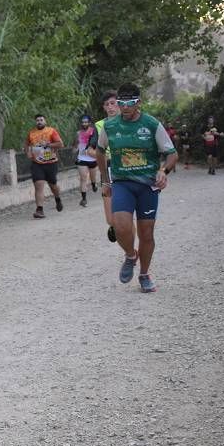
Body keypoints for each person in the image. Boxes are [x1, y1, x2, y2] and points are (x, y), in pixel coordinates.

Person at [96, 83, 178, 293]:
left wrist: (163, 171)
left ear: (138, 102)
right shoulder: (110, 126)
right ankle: (131, 256)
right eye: (121, 103)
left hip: (147, 186)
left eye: (129, 103)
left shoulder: (151, 124)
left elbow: (172, 153)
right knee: (120, 226)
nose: (124, 107)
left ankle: (144, 274)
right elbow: (100, 151)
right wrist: (105, 181)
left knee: (147, 233)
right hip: (122, 183)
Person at [91, 91, 120, 241]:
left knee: (126, 216)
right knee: (111, 219)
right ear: (103, 107)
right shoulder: (99, 125)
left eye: (113, 103)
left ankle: (131, 254)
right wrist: (103, 156)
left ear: (119, 104)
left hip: (127, 173)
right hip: (107, 173)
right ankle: (115, 227)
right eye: (107, 104)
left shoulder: (131, 122)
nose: (110, 107)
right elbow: (90, 150)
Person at [25, 114, 65, 218]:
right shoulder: (31, 133)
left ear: (45, 121)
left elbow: (60, 144)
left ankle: (57, 198)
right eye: (37, 120)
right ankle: (39, 210)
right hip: (37, 163)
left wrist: (49, 145)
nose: (39, 121)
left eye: (41, 120)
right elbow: (26, 144)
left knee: (53, 186)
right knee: (38, 186)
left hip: (51, 163)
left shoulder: (51, 131)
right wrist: (28, 152)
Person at [74, 115, 98, 207]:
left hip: (92, 158)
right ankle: (84, 199)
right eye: (83, 122)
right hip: (82, 158)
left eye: (86, 122)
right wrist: (75, 148)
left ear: (89, 122)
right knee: (83, 178)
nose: (84, 123)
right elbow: (75, 145)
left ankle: (93, 184)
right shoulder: (78, 133)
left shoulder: (93, 131)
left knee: (93, 177)